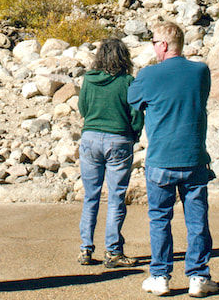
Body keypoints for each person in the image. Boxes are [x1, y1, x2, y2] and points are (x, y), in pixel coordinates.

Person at [128, 22, 218, 298]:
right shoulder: (200, 71)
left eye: (154, 42)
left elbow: (134, 101)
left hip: (160, 159)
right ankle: (199, 276)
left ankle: (160, 275)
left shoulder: (148, 74)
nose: (153, 47)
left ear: (164, 45)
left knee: (159, 219)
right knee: (197, 220)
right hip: (193, 158)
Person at [77, 37, 143, 268]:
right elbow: (136, 114)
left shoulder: (89, 79)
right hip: (119, 140)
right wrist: (134, 135)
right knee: (116, 197)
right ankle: (113, 251)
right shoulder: (127, 81)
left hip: (90, 138)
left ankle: (86, 248)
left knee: (91, 196)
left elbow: (83, 108)